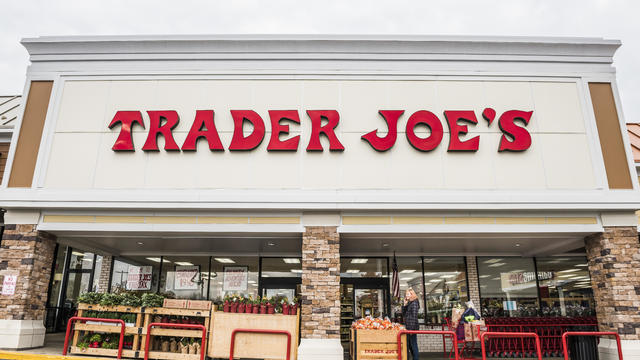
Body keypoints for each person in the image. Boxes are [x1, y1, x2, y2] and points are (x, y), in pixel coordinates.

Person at [402, 288, 420, 360]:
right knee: (409, 345)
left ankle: (416, 358)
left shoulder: (415, 303)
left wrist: (411, 330)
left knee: (413, 344)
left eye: (408, 294)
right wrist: (404, 305)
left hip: (412, 328)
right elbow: (403, 314)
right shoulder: (409, 303)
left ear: (412, 294)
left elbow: (414, 316)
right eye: (406, 294)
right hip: (408, 327)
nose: (407, 296)